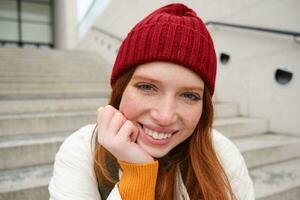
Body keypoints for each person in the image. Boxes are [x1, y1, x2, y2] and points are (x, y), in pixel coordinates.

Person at [49, 3, 254, 200]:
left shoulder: (222, 154)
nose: (165, 116)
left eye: (189, 95)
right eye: (147, 87)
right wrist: (138, 177)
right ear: (121, 89)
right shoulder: (82, 150)